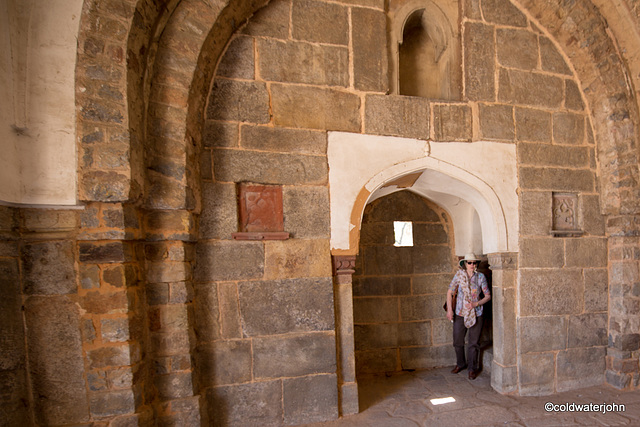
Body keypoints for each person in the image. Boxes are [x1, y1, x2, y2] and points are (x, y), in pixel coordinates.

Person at [446, 253, 491, 380]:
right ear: (465, 264)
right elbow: (449, 292)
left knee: (474, 343)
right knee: (457, 341)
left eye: (474, 263)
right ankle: (460, 364)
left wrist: (476, 303)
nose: (472, 265)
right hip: (460, 313)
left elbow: (488, 296)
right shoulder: (459, 276)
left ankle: (472, 369)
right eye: (469, 263)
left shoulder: (480, 277)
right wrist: (449, 310)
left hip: (476, 314)